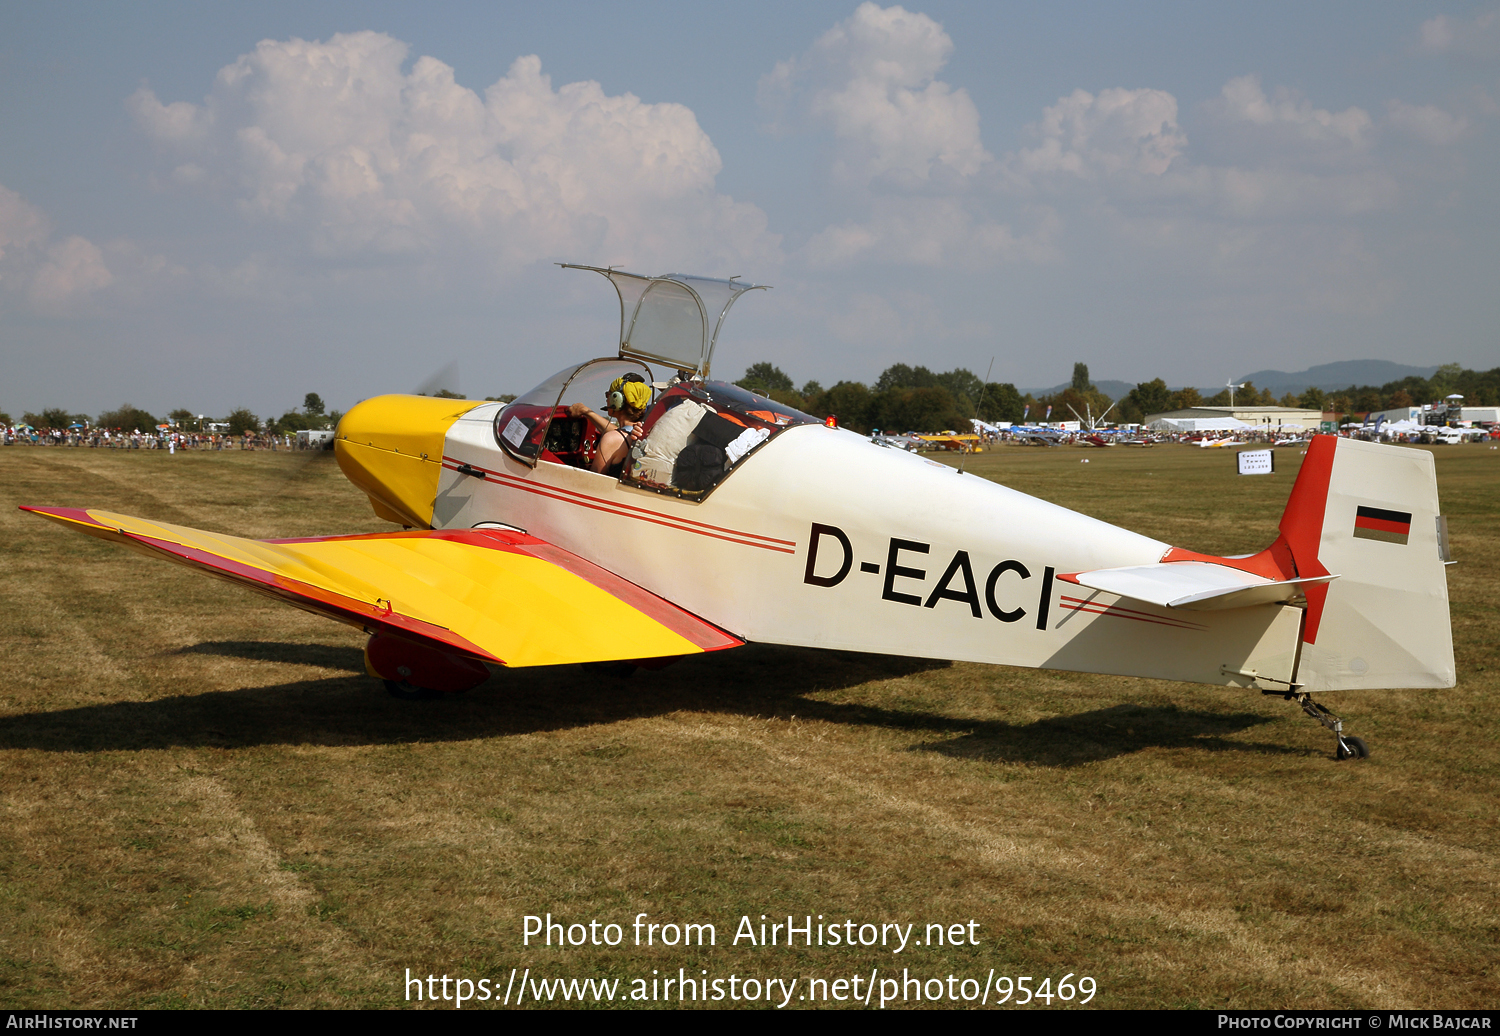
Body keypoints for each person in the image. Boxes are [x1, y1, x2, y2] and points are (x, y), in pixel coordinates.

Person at [568, 374, 650, 476]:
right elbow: (619, 431)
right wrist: (586, 412)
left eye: (608, 395)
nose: (607, 399)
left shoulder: (611, 439)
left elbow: (592, 481)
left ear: (617, 400)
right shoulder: (640, 433)